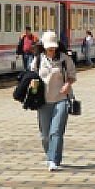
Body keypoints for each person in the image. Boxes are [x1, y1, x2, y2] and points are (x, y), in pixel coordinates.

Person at [34, 31, 76, 172]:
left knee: (56, 131)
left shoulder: (65, 59)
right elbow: (31, 75)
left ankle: (54, 160)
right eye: (49, 47)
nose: (52, 50)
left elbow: (72, 75)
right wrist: (32, 84)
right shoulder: (38, 60)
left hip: (61, 99)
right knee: (45, 134)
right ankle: (49, 155)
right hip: (44, 100)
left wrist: (67, 84)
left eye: (53, 47)